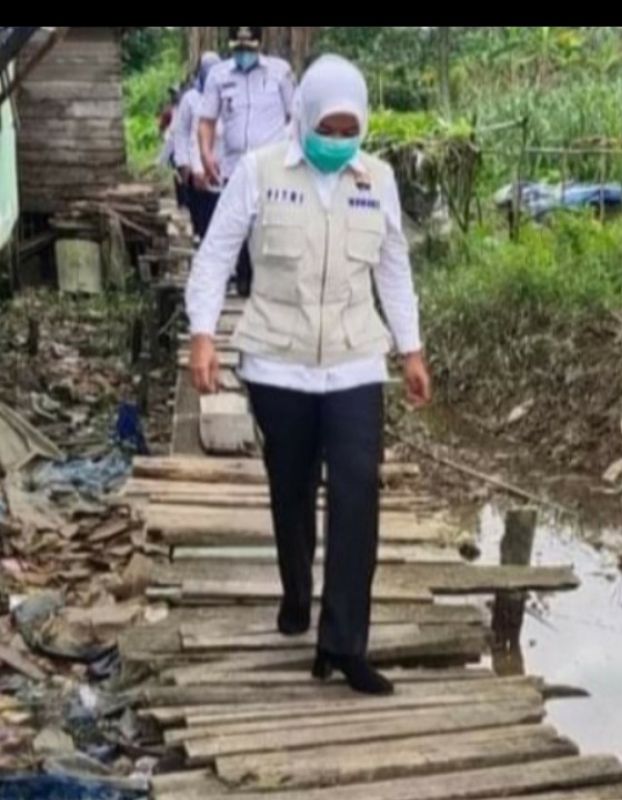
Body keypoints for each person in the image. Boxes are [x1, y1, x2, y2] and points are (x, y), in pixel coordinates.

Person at [185, 54, 432, 696]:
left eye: (350, 128)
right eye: (330, 126)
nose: (339, 139)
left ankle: (344, 643)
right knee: (291, 488)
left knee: (357, 493)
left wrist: (410, 350)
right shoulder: (261, 172)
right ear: (305, 118)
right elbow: (215, 254)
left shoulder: (376, 179)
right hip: (278, 363)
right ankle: (297, 591)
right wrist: (203, 335)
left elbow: (393, 268)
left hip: (354, 361)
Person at [197, 26, 295, 296]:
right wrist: (206, 154)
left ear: (259, 44)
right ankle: (244, 280)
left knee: (270, 223)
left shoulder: (280, 73)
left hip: (273, 163)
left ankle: (268, 281)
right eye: (238, 48)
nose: (243, 54)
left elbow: (295, 115)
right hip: (234, 164)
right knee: (238, 223)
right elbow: (206, 120)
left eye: (248, 48)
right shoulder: (219, 76)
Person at [171, 52, 220, 237]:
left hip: (221, 169)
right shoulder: (191, 99)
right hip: (196, 170)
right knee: (201, 220)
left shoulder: (227, 95)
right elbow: (182, 134)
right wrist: (185, 165)